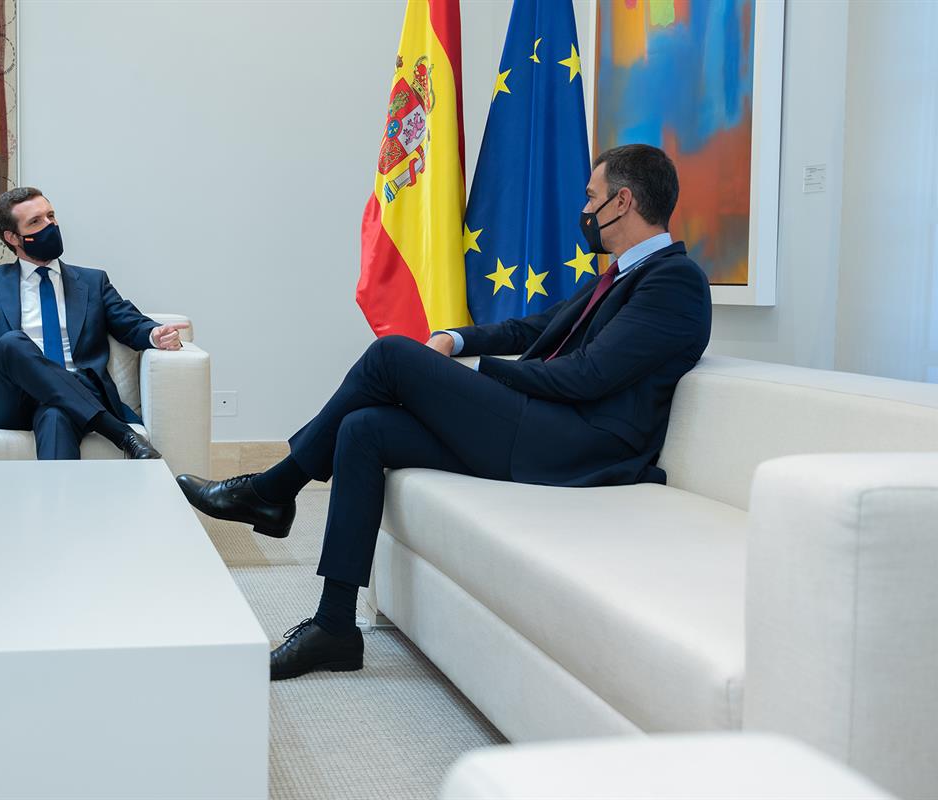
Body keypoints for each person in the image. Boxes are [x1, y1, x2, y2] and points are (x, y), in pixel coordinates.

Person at [178, 143, 712, 680]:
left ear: (623, 202)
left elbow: (591, 375)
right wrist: (456, 340)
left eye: (592, 198)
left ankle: (273, 491)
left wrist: (477, 375)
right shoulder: (617, 275)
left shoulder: (674, 282)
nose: (585, 211)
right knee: (365, 429)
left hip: (579, 448)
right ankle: (334, 627)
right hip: (543, 426)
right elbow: (534, 330)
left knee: (391, 356)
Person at [0, 187, 188, 460]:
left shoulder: (92, 282)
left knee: (56, 415)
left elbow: (130, 323)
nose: (50, 225)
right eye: (36, 222)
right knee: (11, 342)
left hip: (78, 390)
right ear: (13, 237)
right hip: (9, 399)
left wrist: (155, 334)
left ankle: (58, 503)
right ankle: (121, 434)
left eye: (51, 215)